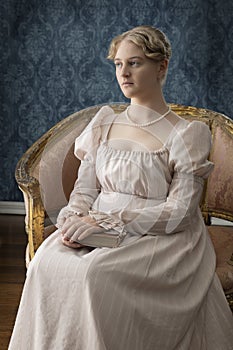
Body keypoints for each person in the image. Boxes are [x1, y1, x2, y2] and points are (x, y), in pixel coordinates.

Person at [9, 25, 233, 350]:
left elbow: (181, 212)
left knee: (95, 275)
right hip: (95, 224)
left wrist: (116, 221)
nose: (123, 72)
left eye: (135, 63)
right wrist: (72, 219)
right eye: (118, 63)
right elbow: (85, 190)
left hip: (163, 235)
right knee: (46, 261)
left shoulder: (187, 133)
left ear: (162, 66)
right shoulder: (105, 122)